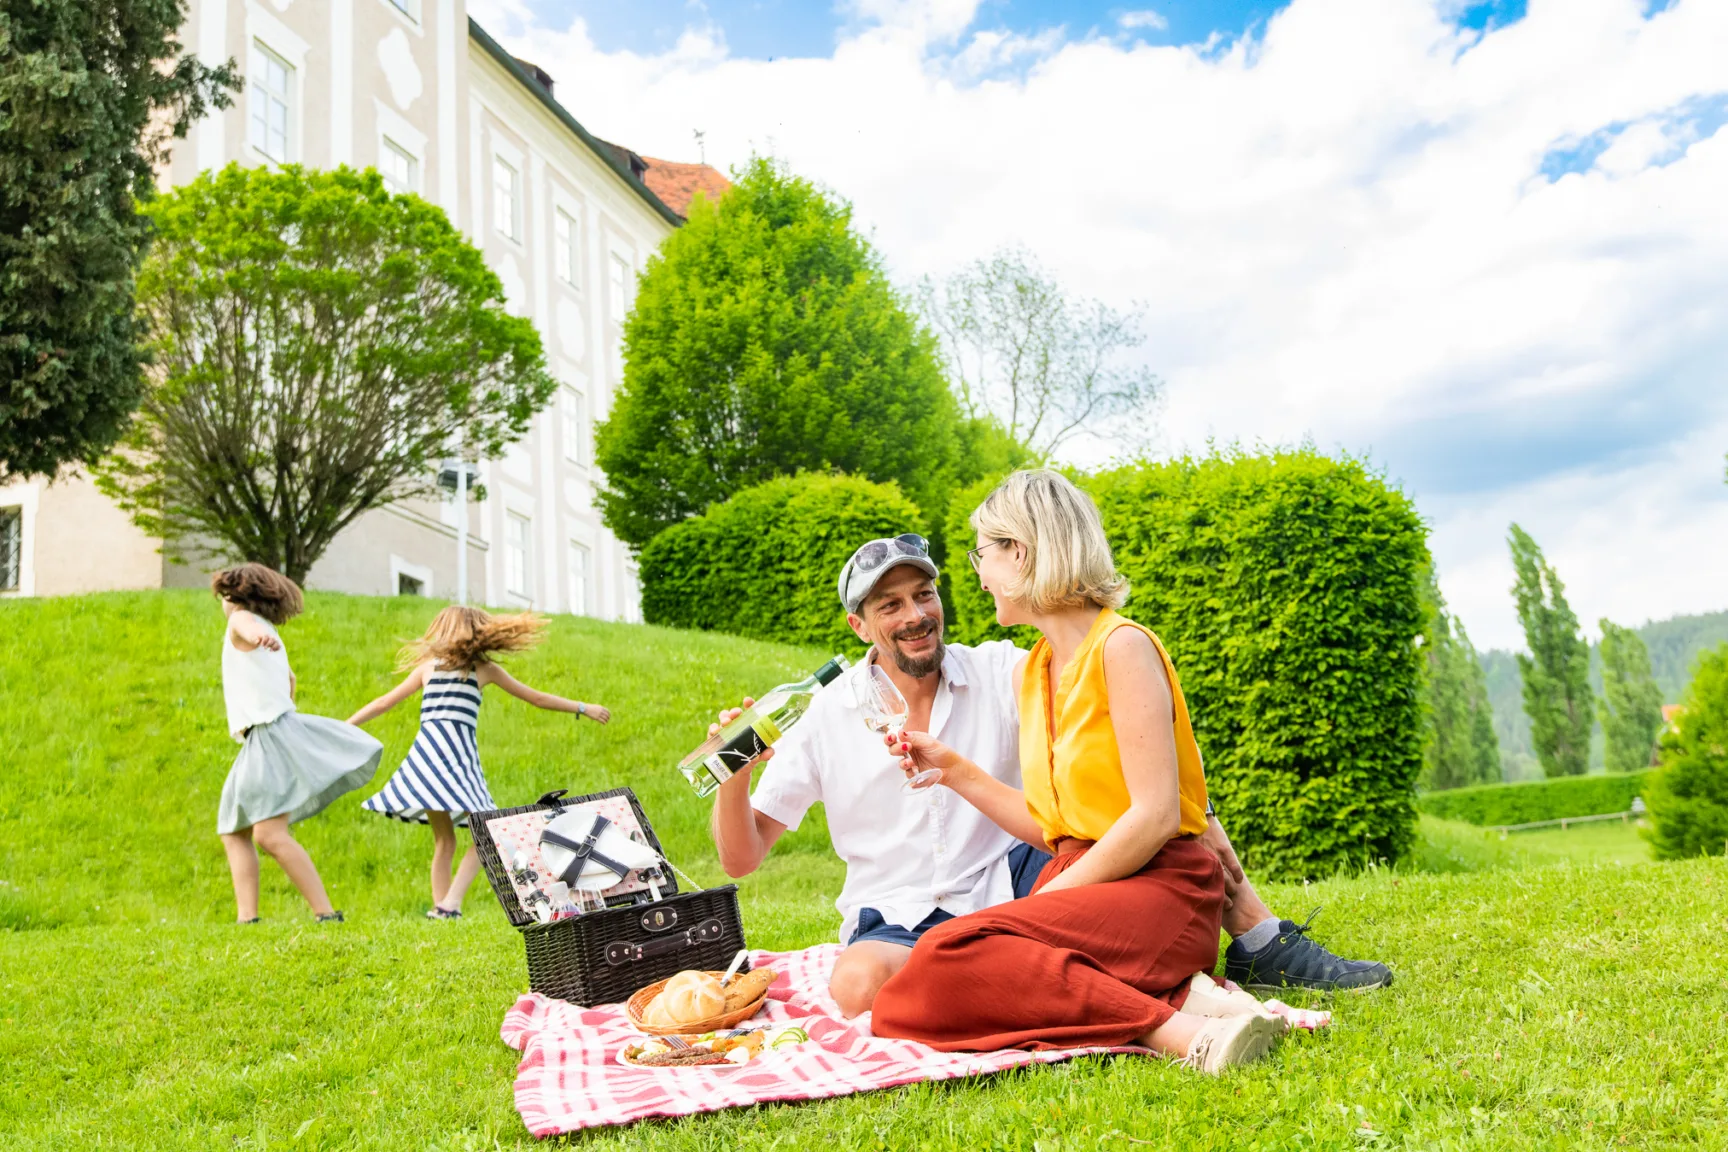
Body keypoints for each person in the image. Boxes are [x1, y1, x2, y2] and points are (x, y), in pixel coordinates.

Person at [710, 531, 1387, 1019]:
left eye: (923, 594)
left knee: (1152, 791)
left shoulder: (1004, 668)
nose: (915, 615)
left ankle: (1257, 935)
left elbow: (1129, 735)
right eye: (890, 606)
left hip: (1021, 881)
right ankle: (1144, 992)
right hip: (898, 917)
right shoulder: (825, 713)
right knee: (857, 987)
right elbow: (741, 858)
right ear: (861, 626)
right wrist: (734, 774)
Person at [869, 470, 1278, 1071]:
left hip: (1159, 888)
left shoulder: (1123, 647)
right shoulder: (1034, 670)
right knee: (904, 1003)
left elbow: (1155, 815)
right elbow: (1054, 829)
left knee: (945, 955)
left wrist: (1047, 899)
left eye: (982, 554)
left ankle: (1181, 1035)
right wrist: (954, 769)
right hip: (1085, 883)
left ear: (1022, 553)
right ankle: (1184, 999)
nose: (978, 575)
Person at [348, 606, 611, 919]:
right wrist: (583, 707)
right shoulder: (481, 669)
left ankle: (442, 909)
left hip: (427, 759)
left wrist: (346, 725)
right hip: (455, 759)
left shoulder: (428, 668)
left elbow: (383, 702)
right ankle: (450, 904)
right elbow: (536, 698)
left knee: (445, 841)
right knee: (486, 830)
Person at [213, 563, 383, 924]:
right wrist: (267, 647)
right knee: (234, 829)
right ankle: (247, 919)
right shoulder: (269, 633)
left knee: (268, 833)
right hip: (262, 736)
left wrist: (257, 636)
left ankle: (325, 913)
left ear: (235, 597)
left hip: (268, 733)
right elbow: (289, 680)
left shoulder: (242, 621)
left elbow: (244, 625)